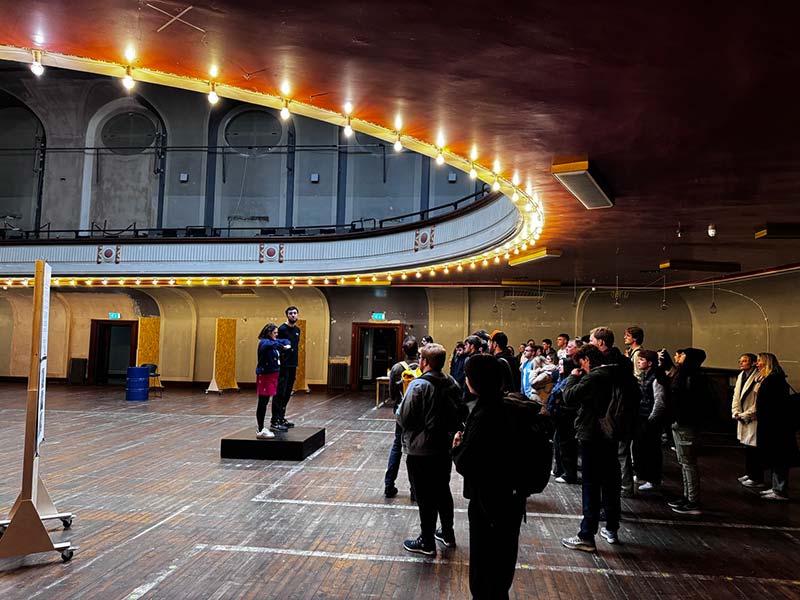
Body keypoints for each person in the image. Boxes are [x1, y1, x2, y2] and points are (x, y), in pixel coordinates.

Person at [452, 354, 526, 599]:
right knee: (502, 566)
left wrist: (457, 447)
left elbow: (468, 462)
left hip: (488, 501)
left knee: (484, 571)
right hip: (513, 498)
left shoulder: (484, 413)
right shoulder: (511, 406)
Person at [398, 343, 462, 556]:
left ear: (424, 362)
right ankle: (447, 533)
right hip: (443, 447)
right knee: (443, 490)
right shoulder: (451, 382)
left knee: (425, 496)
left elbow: (404, 418)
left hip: (421, 448)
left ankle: (426, 541)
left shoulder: (418, 386)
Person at [560, 344, 624, 551]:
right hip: (612, 433)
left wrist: (572, 376)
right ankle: (612, 528)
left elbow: (569, 397)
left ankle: (586, 535)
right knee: (611, 483)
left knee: (591, 485)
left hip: (592, 434)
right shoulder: (618, 374)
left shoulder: (594, 378)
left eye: (581, 363)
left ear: (587, 360)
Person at [667, 348, 708, 515]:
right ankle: (687, 496)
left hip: (686, 423)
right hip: (681, 422)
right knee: (684, 462)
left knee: (688, 463)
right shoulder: (687, 374)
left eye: (683, 354)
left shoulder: (692, 377)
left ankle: (692, 500)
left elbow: (688, 401)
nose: (680, 356)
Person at [754, 353, 796, 500]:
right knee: (775, 456)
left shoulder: (774, 380)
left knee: (779, 457)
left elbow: (774, 404)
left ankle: (779, 489)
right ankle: (775, 487)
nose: (756, 363)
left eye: (759, 361)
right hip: (773, 424)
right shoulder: (771, 379)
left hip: (777, 426)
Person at [384, 336, 420, 499]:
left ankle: (389, 485)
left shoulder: (397, 368)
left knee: (397, 447)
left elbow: (392, 395)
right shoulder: (423, 366)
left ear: (403, 350)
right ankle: (414, 490)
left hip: (401, 413)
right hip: (419, 414)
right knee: (414, 451)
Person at [547, 337, 583, 483]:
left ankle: (569, 473)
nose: (559, 366)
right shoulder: (562, 377)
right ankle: (559, 469)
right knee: (559, 443)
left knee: (567, 445)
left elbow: (560, 394)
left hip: (566, 414)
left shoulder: (570, 379)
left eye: (562, 365)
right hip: (559, 414)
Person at [632, 350, 666, 491]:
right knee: (640, 448)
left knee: (652, 450)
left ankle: (654, 479)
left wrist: (651, 419)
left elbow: (659, 402)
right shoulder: (645, 376)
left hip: (650, 419)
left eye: (642, 360)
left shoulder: (656, 378)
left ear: (650, 363)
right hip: (642, 417)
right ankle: (642, 474)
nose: (639, 362)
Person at [254, 323, 292, 438]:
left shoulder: (273, 342)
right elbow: (272, 344)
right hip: (265, 375)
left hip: (273, 375)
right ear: (269, 333)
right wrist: (282, 346)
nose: (276, 335)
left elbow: (285, 340)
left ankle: (263, 427)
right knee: (263, 401)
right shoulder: (264, 343)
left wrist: (287, 344)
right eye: (275, 333)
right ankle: (260, 428)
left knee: (268, 400)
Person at [731, 353, 761, 486]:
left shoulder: (758, 376)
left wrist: (746, 414)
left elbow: (758, 401)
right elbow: (736, 396)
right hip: (742, 414)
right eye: (740, 361)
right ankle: (749, 473)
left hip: (752, 416)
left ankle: (756, 477)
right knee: (747, 447)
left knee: (754, 448)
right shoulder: (741, 376)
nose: (741, 363)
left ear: (753, 363)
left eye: (745, 361)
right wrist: (735, 411)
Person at [272, 306, 301, 432]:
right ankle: (275, 420)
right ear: (287, 315)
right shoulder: (282, 329)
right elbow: (277, 345)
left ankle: (282, 417)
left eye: (295, 313)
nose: (293, 315)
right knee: (280, 392)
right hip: (283, 365)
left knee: (288, 392)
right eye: (291, 313)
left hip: (292, 365)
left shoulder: (297, 330)